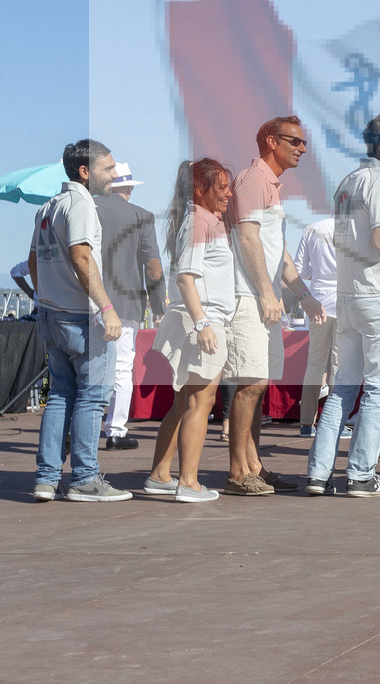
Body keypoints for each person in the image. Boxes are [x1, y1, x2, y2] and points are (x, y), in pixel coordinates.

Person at [306, 109, 380, 497]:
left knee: (342, 387)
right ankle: (361, 474)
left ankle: (319, 473)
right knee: (378, 389)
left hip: (347, 294)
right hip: (377, 293)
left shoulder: (348, 180)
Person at [227, 115, 325, 496]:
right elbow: (247, 238)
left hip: (262, 299)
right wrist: (267, 294)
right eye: (296, 141)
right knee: (249, 385)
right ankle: (238, 471)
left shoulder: (269, 184)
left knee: (258, 384)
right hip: (248, 298)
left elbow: (277, 253)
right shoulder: (253, 180)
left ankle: (253, 465)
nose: (302, 148)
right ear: (272, 141)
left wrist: (302, 295)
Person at [30, 139, 130, 502]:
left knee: (60, 395)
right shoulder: (82, 204)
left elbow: (32, 262)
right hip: (81, 317)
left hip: (52, 313)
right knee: (92, 397)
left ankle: (46, 477)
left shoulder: (49, 205)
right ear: (85, 172)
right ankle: (85, 478)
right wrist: (106, 309)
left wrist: (46, 300)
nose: (114, 174)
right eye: (108, 168)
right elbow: (81, 256)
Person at [145, 159, 234, 503]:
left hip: (197, 317)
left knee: (184, 402)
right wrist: (203, 324)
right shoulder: (199, 221)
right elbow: (185, 276)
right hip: (203, 319)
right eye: (222, 186)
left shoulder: (198, 220)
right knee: (201, 401)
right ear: (201, 190)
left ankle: (160, 474)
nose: (228, 193)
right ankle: (189, 483)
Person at [95, 161, 164, 452]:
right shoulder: (142, 217)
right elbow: (153, 267)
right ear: (127, 189)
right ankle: (116, 431)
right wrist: (159, 303)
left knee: (87, 368)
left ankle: (81, 428)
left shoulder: (89, 209)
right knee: (122, 368)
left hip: (85, 301)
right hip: (125, 304)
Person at [293, 216, 338, 436]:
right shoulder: (355, 228)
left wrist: (318, 274)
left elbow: (299, 269)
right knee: (340, 366)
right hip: (345, 302)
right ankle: (334, 422)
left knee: (315, 363)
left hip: (318, 300)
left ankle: (306, 422)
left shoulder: (312, 227)